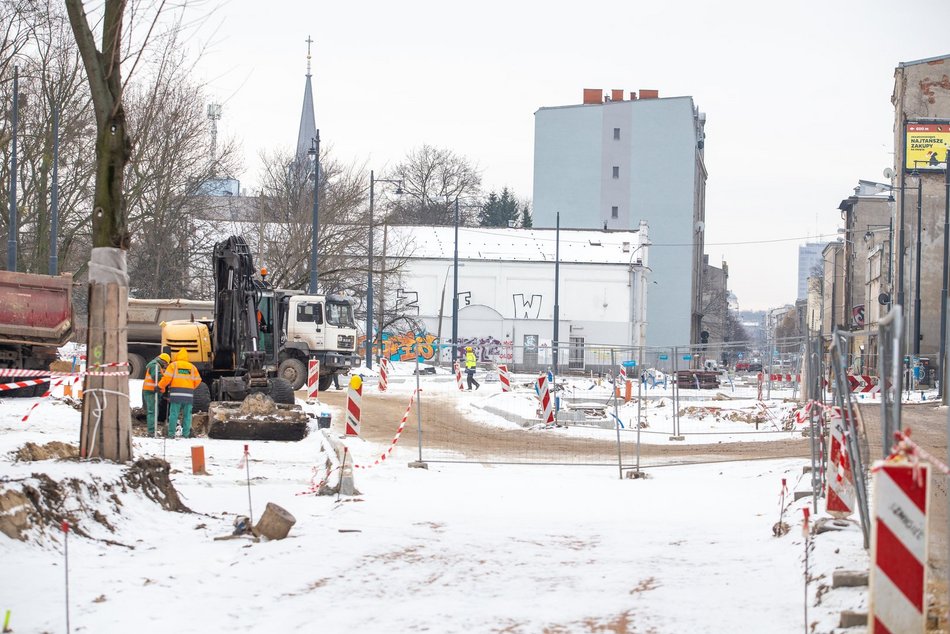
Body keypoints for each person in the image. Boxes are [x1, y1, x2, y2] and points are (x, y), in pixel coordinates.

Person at [158, 348, 202, 439]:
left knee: (174, 414)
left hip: (176, 394)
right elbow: (198, 380)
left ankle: (171, 434)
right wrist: (190, 387)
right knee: (187, 415)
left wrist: (160, 386)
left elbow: (166, 378)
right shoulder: (192, 367)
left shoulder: (173, 365)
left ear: (177, 356)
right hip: (188, 395)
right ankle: (186, 434)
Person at [142, 353, 170, 437]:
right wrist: (167, 378)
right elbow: (156, 376)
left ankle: (152, 430)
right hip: (151, 391)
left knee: (153, 411)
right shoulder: (155, 366)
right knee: (152, 411)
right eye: (166, 364)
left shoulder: (156, 365)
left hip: (152, 391)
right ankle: (151, 432)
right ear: (163, 361)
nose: (166, 366)